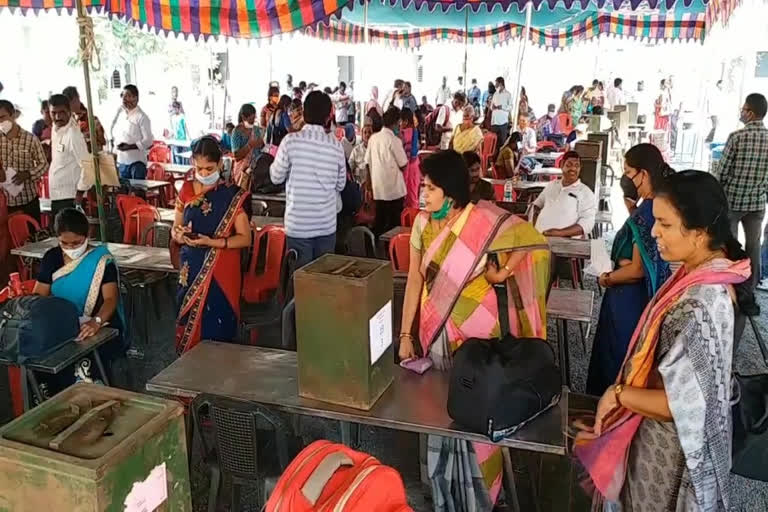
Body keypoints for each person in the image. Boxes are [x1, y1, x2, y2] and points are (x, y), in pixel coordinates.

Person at [576, 170, 753, 512]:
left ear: (700, 232)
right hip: (669, 443)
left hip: (670, 455)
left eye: (665, 224)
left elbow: (682, 405)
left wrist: (617, 395)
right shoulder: (702, 274)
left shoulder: (701, 302)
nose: (654, 231)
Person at [398, 150, 549, 511]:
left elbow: (533, 241)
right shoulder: (421, 224)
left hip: (477, 332)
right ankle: (442, 490)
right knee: (437, 408)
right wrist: (406, 334)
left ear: (449, 192)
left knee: (480, 409)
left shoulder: (481, 221)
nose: (422, 194)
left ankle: (483, 494)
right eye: (423, 186)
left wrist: (503, 272)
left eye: (430, 188)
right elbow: (414, 280)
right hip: (435, 327)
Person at [585, 144, 673, 395]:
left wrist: (607, 277)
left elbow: (637, 269)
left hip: (630, 301)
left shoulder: (650, 210)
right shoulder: (654, 204)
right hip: (639, 297)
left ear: (643, 174)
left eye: (628, 172)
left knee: (619, 358)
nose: (626, 178)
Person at [30, 208, 126, 393]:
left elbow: (110, 299)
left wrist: (95, 322)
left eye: (76, 243)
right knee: (41, 356)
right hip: (61, 321)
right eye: (65, 243)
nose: (71, 248)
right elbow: (39, 295)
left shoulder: (101, 260)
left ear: (87, 235)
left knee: (87, 358)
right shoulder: (52, 258)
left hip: (99, 322)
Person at [173, 137, 251, 354]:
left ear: (219, 165)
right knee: (189, 323)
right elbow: (175, 229)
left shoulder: (231, 195)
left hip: (222, 270)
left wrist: (212, 242)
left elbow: (245, 238)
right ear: (192, 163)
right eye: (199, 168)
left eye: (209, 168)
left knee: (218, 324)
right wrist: (180, 236)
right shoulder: (186, 190)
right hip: (190, 266)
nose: (204, 173)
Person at [270, 91, 346, 268]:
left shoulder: (290, 142)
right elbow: (340, 184)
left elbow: (275, 177)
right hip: (326, 225)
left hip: (298, 226)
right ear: (328, 117)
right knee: (323, 284)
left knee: (300, 284)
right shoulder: (336, 146)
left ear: (303, 112)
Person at [717, 93, 768, 292]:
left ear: (751, 113)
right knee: (753, 246)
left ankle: (733, 286)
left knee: (731, 245)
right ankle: (751, 287)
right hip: (757, 204)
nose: (741, 112)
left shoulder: (737, 137)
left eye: (744, 109)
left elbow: (722, 171)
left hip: (734, 202)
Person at [0, 99, 47, 221]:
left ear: (13, 115)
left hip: (28, 201)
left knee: (31, 238)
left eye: (2, 117)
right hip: (4, 203)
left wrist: (28, 174)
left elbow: (43, 164)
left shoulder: (30, 139)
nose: (0, 122)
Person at [532, 151, 596, 237]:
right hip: (539, 239)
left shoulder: (585, 192)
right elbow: (537, 205)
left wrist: (559, 233)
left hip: (565, 243)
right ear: (562, 165)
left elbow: (587, 224)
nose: (573, 169)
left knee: (598, 247)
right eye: (569, 165)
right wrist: (535, 225)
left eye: (576, 166)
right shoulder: (552, 185)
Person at [366, 107, 408, 235]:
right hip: (394, 190)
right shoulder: (394, 140)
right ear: (396, 122)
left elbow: (367, 163)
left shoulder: (373, 138)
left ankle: (375, 249)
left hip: (378, 188)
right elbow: (403, 165)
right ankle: (391, 250)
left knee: (380, 220)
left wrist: (369, 185)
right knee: (394, 225)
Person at [47, 94, 91, 217]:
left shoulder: (73, 134)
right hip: (57, 196)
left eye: (62, 112)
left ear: (69, 111)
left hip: (71, 198)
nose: (57, 117)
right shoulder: (55, 129)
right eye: (53, 113)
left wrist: (79, 194)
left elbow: (88, 166)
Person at [110, 85, 153, 180]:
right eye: (123, 96)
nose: (124, 99)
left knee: (137, 192)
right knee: (124, 193)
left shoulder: (141, 117)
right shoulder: (121, 113)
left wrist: (129, 147)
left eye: (128, 96)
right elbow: (114, 132)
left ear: (135, 98)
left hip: (136, 163)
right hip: (122, 162)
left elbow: (148, 141)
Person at [231, 104, 265, 189]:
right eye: (251, 119)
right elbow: (236, 156)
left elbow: (261, 146)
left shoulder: (256, 130)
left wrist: (261, 144)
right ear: (243, 117)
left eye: (254, 119)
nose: (253, 121)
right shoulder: (237, 132)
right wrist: (250, 145)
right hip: (242, 171)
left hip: (256, 170)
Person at [62, 86, 106, 151]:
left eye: (75, 101)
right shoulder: (67, 122)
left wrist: (97, 133)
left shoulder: (92, 119)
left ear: (78, 98)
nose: (74, 105)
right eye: (70, 103)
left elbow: (103, 142)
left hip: (92, 157)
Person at [399, 108, 420, 208]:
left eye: (400, 121)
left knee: (408, 195)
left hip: (409, 167)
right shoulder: (414, 131)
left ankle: (410, 218)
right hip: (415, 165)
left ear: (405, 121)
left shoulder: (405, 133)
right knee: (413, 194)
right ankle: (413, 218)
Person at [490, 77, 512, 151]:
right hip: (494, 122)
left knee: (502, 143)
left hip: (503, 122)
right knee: (493, 144)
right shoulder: (495, 94)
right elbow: (491, 106)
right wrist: (492, 107)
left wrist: (502, 107)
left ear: (500, 83)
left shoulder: (508, 94)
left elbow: (510, 107)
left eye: (496, 83)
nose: (495, 85)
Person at [349, 117, 373, 184]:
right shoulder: (356, 150)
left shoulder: (376, 149)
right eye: (365, 133)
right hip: (360, 183)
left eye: (369, 132)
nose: (367, 135)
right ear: (362, 135)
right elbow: (350, 167)